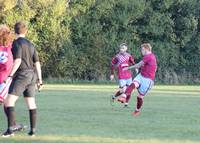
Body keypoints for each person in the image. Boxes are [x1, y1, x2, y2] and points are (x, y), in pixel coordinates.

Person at [2, 21, 43, 137]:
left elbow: (18, 61)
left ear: (15, 31)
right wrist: (40, 80)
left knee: (8, 102)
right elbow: (37, 63)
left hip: (22, 75)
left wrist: (10, 75)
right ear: (26, 31)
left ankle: (10, 130)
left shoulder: (16, 43)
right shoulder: (31, 44)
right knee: (31, 103)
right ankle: (33, 131)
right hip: (32, 75)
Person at [119, 43, 157, 116]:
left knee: (140, 97)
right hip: (141, 75)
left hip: (148, 80)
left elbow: (138, 65)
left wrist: (128, 68)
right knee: (133, 84)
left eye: (142, 49)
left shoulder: (149, 56)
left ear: (146, 49)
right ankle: (124, 97)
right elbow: (154, 67)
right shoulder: (151, 56)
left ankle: (137, 111)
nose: (141, 51)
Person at [0, 24, 25, 132]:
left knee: (6, 103)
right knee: (6, 103)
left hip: (3, 79)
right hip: (6, 79)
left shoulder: (7, 47)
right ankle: (13, 126)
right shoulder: (11, 47)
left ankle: (13, 126)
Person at [110, 43, 136, 107]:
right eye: (121, 48)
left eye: (123, 48)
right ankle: (115, 96)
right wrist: (112, 74)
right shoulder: (117, 57)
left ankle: (126, 104)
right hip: (122, 76)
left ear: (126, 49)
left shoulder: (128, 56)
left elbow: (132, 62)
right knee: (123, 90)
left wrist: (136, 67)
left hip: (129, 76)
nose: (121, 49)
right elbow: (112, 65)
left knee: (129, 90)